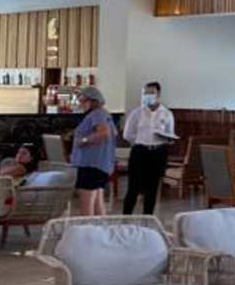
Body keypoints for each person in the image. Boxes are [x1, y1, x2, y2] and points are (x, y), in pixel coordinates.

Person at [122, 81, 176, 216]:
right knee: (133, 188)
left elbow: (170, 133)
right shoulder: (137, 113)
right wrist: (140, 142)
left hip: (158, 153)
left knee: (152, 189)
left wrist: (167, 139)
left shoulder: (166, 113)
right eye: (145, 93)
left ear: (158, 95)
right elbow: (127, 134)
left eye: (151, 93)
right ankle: (126, 219)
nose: (148, 95)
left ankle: (147, 219)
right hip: (140, 152)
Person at [70, 85, 116, 216]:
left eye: (83, 101)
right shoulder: (103, 114)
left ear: (92, 100)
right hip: (99, 165)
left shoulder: (97, 114)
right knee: (97, 203)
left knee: (86, 204)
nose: (80, 104)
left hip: (91, 165)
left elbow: (103, 133)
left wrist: (83, 140)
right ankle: (101, 227)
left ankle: (87, 227)